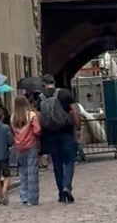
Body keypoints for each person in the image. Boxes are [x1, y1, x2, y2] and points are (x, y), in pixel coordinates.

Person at [37, 74, 80, 203]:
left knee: (57, 164)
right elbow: (75, 111)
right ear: (54, 83)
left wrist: (40, 137)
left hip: (50, 134)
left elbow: (39, 118)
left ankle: (61, 192)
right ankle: (67, 186)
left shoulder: (40, 98)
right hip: (66, 132)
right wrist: (78, 127)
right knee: (69, 161)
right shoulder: (65, 93)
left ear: (44, 84)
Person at [11, 95, 41, 205]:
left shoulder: (13, 117)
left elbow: (13, 132)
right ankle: (32, 198)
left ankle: (23, 196)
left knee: (23, 172)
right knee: (32, 172)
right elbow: (37, 130)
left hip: (19, 147)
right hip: (30, 145)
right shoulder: (31, 115)